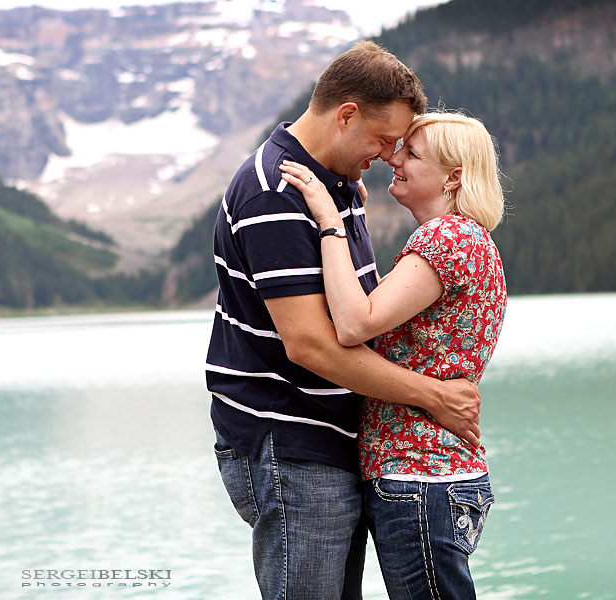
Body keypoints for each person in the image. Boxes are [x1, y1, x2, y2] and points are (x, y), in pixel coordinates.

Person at [205, 42, 483, 599]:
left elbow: (358, 314)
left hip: (333, 444)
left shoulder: (334, 182)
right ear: (347, 115)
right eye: (383, 140)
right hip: (292, 444)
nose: (387, 156)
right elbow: (311, 345)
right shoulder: (276, 193)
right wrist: (431, 395)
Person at [279, 110, 507, 599]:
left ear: (453, 176)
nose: (393, 159)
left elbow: (355, 322)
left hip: (417, 476)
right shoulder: (468, 241)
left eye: (411, 153)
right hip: (436, 476)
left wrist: (330, 222)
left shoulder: (446, 239)